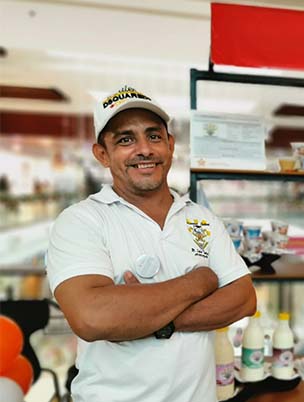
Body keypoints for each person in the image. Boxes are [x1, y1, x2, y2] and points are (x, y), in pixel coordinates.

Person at [46, 86, 256, 402]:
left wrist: (144, 319)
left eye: (154, 136)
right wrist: (199, 282)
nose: (144, 149)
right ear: (102, 154)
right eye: (125, 140)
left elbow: (243, 299)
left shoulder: (201, 218)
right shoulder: (81, 221)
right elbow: (92, 317)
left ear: (170, 145)